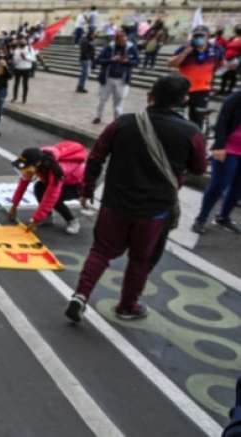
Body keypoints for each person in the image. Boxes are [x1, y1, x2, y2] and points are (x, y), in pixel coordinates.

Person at [66, 75, 206, 323]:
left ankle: (81, 294)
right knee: (141, 259)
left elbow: (96, 156)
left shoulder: (123, 123)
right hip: (155, 211)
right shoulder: (191, 132)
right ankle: (127, 306)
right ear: (184, 100)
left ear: (151, 95)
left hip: (115, 203)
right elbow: (198, 168)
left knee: (100, 251)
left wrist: (87, 189)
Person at [9, 141, 88, 235]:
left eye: (28, 169)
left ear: (37, 164)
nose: (26, 172)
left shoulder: (55, 170)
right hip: (64, 181)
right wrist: (14, 206)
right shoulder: (36, 159)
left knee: (55, 199)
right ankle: (47, 217)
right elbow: (22, 184)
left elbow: (51, 196)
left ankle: (72, 221)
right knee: (39, 187)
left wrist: (36, 220)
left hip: (79, 184)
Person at [192, 90, 241, 234]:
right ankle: (201, 218)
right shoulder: (236, 98)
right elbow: (222, 121)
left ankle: (223, 217)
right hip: (228, 148)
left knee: (238, 188)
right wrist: (219, 146)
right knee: (218, 185)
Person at [170, 26, 225, 130]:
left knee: (197, 120)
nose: (198, 37)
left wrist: (209, 71)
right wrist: (186, 52)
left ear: (208, 36)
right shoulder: (185, 48)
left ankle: (194, 142)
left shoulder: (216, 49)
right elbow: (171, 64)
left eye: (201, 35)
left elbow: (221, 63)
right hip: (182, 88)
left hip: (202, 90)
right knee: (174, 116)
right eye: (196, 35)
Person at [92, 32, 139, 125]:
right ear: (116, 40)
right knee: (102, 99)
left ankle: (117, 121)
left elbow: (137, 62)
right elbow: (98, 60)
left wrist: (127, 61)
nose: (123, 43)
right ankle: (98, 116)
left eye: (124, 41)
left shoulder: (131, 48)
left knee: (119, 101)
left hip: (122, 79)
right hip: (107, 78)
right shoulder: (109, 47)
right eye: (121, 41)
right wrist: (111, 60)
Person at [219, 25, 241, 95]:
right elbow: (226, 46)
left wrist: (238, 59)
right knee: (224, 75)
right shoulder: (232, 38)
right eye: (237, 30)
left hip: (235, 60)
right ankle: (222, 90)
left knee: (232, 76)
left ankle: (229, 91)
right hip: (226, 59)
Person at [10, 39, 34, 104]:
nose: (22, 43)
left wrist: (25, 57)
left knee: (25, 84)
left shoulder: (30, 49)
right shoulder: (16, 50)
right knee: (16, 84)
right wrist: (18, 58)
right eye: (21, 42)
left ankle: (24, 98)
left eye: (23, 42)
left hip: (26, 68)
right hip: (18, 68)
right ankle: (15, 97)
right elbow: (14, 61)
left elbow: (33, 59)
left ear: (26, 43)